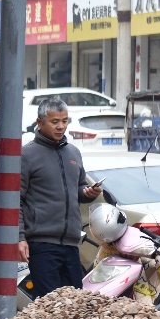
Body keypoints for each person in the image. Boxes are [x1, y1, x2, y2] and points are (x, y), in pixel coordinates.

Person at [19, 97, 103, 298]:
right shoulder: (26, 155)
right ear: (40, 123)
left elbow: (79, 187)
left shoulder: (73, 152)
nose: (60, 126)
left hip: (72, 244)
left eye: (64, 121)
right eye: (54, 122)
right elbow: (15, 201)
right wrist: (20, 238)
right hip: (42, 244)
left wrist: (87, 193)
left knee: (75, 304)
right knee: (51, 305)